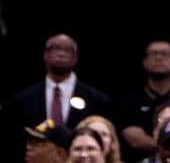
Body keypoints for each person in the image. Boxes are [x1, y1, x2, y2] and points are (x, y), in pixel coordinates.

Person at [8, 33, 113, 162]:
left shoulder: (98, 100)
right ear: (45, 55)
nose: (61, 53)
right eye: (56, 48)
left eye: (67, 49)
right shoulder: (22, 100)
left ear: (76, 57)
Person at [116, 38, 170, 163]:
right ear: (144, 61)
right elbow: (134, 139)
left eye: (164, 54)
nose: (158, 57)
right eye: (153, 54)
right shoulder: (130, 99)